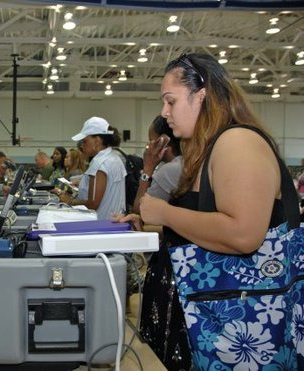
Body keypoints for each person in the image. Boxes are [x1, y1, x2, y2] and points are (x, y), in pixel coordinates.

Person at [121, 52, 290, 369]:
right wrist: (154, 225)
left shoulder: (238, 142)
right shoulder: (214, 148)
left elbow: (243, 234)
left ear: (203, 95)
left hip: (239, 326)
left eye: (170, 101)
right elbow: (210, 226)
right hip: (216, 324)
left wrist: (165, 213)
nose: (164, 112)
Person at [59, 117, 127, 219]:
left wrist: (70, 201)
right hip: (115, 221)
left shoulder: (99, 163)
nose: (82, 146)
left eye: (85, 141)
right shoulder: (115, 158)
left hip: (100, 223)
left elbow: (93, 204)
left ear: (97, 141)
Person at [131, 115, 182, 214]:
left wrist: (148, 168)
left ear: (162, 142)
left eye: (151, 140)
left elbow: (139, 209)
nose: (148, 146)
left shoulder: (170, 170)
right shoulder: (184, 162)